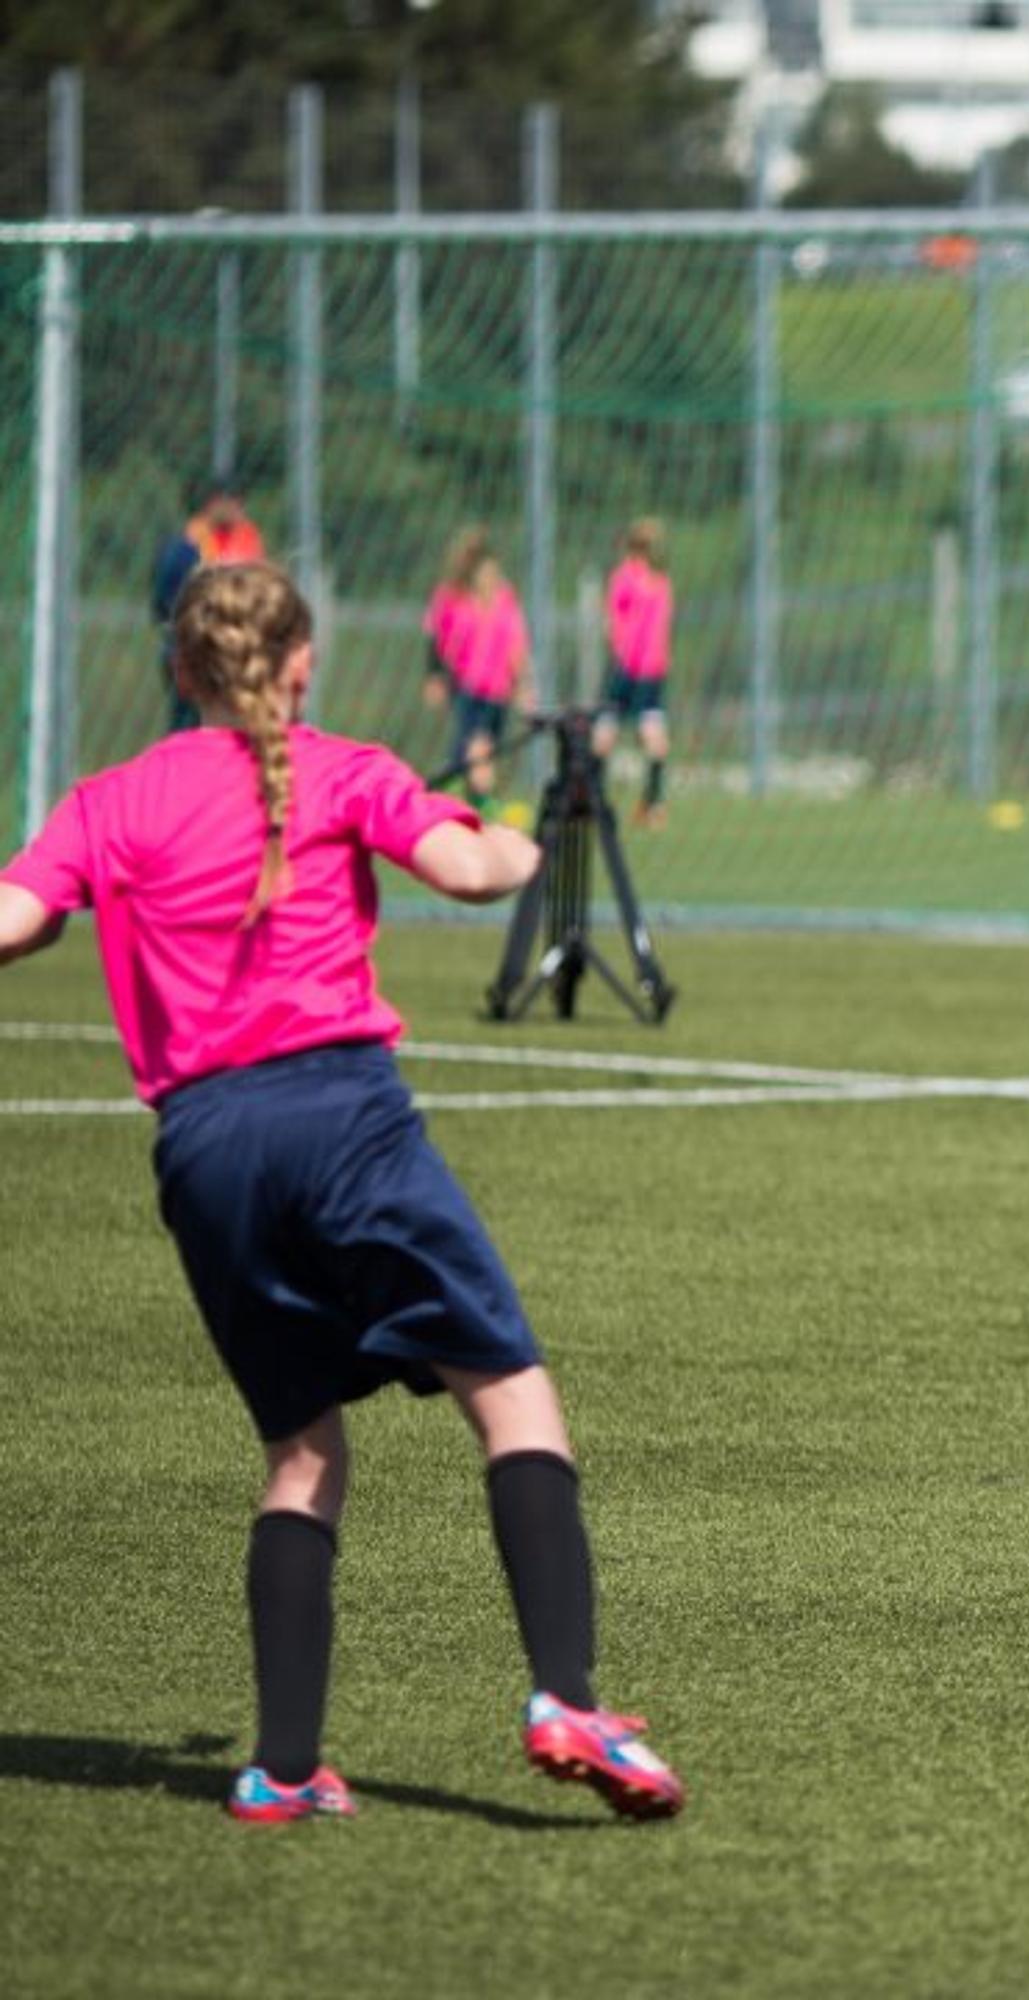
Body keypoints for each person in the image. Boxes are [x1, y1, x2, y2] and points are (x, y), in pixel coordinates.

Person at [0, 561, 689, 1819]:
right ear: (301, 659)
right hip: (344, 1120)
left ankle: (280, 1765)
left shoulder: (112, 797)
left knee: (304, 1447)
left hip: (204, 1151)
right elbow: (472, 872)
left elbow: (12, 916)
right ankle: (566, 1695)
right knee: (512, 1392)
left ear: (182, 670)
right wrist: (523, 836)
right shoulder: (345, 767)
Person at [151, 475, 266, 734]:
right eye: (234, 501)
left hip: (238, 646)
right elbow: (164, 603)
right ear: (214, 504)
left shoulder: (246, 541)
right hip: (192, 645)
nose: (240, 509)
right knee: (188, 723)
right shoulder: (185, 548)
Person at [424, 527, 530, 807]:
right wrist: (435, 675)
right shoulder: (454, 599)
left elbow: (516, 646)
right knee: (478, 749)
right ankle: (484, 807)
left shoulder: (505, 601)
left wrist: (522, 685)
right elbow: (437, 637)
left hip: (499, 691)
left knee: (475, 753)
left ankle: (453, 796)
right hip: (469, 688)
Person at [594, 518, 677, 829]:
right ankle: (654, 803)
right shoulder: (661, 582)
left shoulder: (624, 578)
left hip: (625, 666)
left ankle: (596, 798)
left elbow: (611, 623)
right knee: (653, 730)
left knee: (605, 731)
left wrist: (619, 646)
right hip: (654, 667)